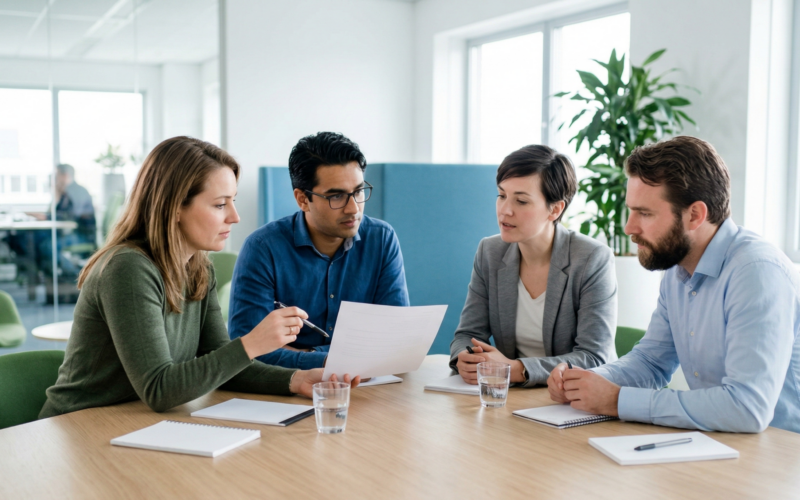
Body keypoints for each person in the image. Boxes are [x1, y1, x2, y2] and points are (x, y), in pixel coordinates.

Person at [40, 137, 359, 419]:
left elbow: (222, 366)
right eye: (220, 204)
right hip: (79, 426)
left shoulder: (198, 267)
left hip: (135, 421)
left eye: (232, 201)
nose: (234, 216)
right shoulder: (128, 269)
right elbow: (159, 388)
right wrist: (251, 343)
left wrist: (295, 379)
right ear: (174, 207)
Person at [547, 136, 800, 434]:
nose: (629, 228)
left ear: (695, 215)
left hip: (780, 455)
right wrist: (585, 381)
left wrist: (617, 401)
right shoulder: (678, 270)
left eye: (645, 213)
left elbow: (747, 408)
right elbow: (651, 362)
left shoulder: (756, 273)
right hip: (721, 445)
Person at [228, 132, 409, 369]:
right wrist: (338, 358)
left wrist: (310, 353)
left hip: (368, 385)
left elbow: (396, 340)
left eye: (358, 191)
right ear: (302, 199)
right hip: (284, 393)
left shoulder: (382, 239)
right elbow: (247, 351)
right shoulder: (263, 248)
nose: (353, 208)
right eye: (336, 196)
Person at [450, 144, 617, 387]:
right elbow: (467, 335)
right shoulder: (490, 252)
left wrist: (517, 370)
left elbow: (593, 357)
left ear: (555, 209)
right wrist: (464, 358)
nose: (505, 210)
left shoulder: (591, 258)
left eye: (521, 201)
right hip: (515, 399)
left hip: (578, 397)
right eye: (501, 195)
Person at [31, 163, 97, 277]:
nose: (54, 178)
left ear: (65, 175)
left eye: (56, 175)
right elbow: (58, 212)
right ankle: (48, 274)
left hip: (82, 236)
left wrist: (47, 217)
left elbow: (71, 216)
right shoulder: (67, 191)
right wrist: (57, 195)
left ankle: (75, 276)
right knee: (37, 237)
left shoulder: (77, 192)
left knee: (47, 245)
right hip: (72, 232)